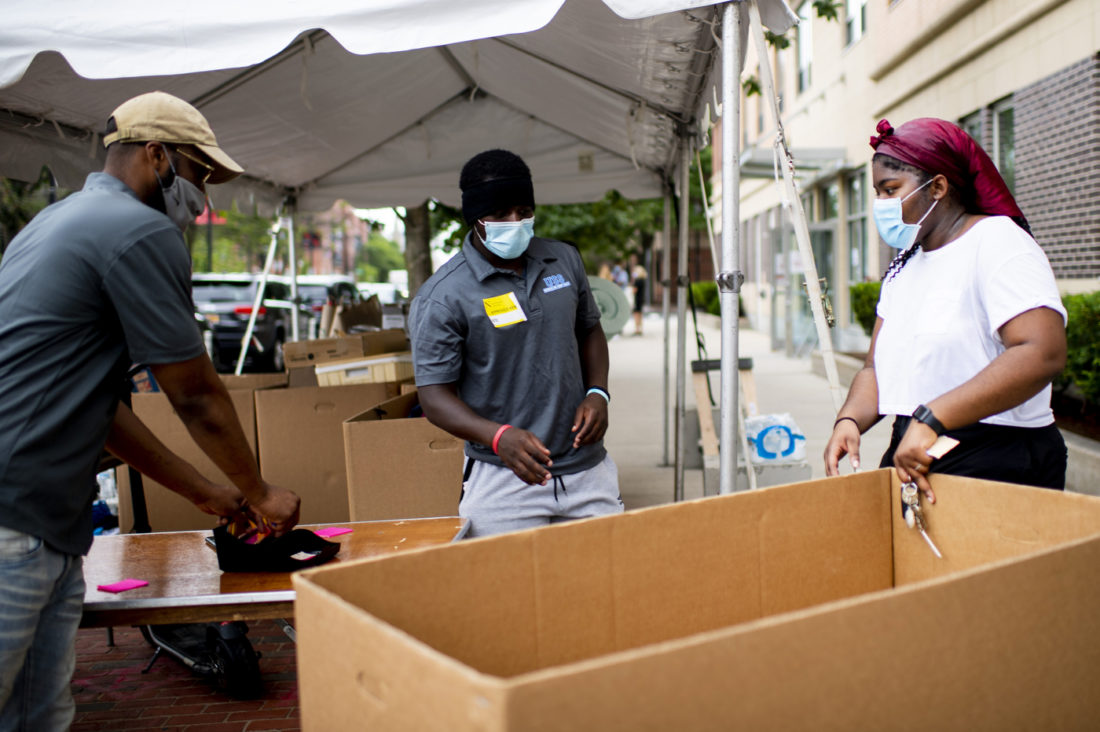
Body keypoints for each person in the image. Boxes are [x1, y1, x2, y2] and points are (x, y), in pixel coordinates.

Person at [0, 91, 301, 730]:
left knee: (36, 715)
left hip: (41, 525)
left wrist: (206, 492)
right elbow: (194, 393)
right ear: (156, 155)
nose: (203, 198)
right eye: (198, 175)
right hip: (13, 523)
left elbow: (102, 411)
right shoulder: (137, 230)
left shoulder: (54, 223)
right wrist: (259, 490)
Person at [824, 117, 1067, 503]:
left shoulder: (999, 242)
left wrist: (934, 418)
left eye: (891, 190)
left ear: (938, 186)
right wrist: (850, 419)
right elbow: (875, 368)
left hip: (999, 457)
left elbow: (1041, 352)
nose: (881, 205)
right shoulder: (904, 266)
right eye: (877, 193)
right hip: (914, 446)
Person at [409, 149, 623, 537]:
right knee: (503, 596)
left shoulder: (564, 259)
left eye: (524, 211)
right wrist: (496, 435)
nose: (516, 223)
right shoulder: (442, 296)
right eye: (501, 214)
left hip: (587, 472)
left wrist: (598, 393)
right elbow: (434, 396)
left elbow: (589, 328)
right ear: (475, 217)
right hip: (503, 480)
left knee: (603, 591)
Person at [629, 252, 648, 336]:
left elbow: (634, 290)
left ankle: (637, 329)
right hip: (641, 298)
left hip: (637, 299)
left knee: (636, 314)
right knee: (640, 314)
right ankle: (640, 328)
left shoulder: (637, 281)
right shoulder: (643, 280)